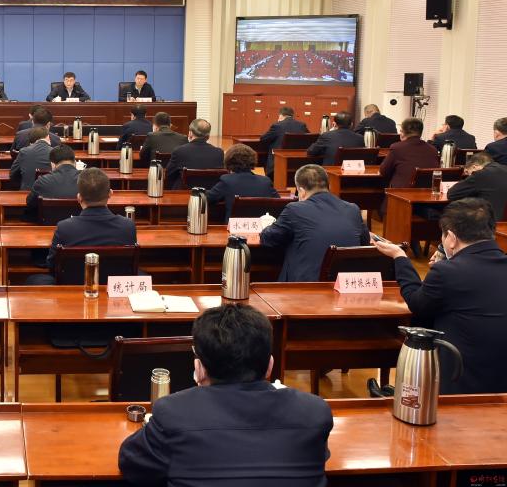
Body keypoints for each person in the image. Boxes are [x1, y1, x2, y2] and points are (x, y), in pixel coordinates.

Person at [118, 304, 333, 486]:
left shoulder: (173, 414)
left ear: (199, 369)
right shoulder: (315, 413)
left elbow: (130, 462)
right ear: (270, 365)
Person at [373, 198, 507, 394]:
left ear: (451, 237)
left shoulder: (448, 272)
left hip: (462, 382)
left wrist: (400, 257)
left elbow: (417, 303)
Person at [260, 164, 369, 281]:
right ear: (328, 186)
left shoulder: (295, 209)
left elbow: (269, 238)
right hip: (345, 283)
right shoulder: (352, 209)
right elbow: (364, 241)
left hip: (305, 286)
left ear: (301, 191)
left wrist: (266, 226)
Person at [31, 167, 136, 281]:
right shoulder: (128, 226)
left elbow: (52, 265)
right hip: (114, 288)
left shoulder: (64, 228)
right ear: (110, 193)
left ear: (79, 197)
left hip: (73, 286)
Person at [207, 144, 279, 221]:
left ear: (229, 161)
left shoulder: (227, 180)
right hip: (261, 226)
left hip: (234, 227)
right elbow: (278, 203)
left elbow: (208, 198)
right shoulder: (265, 181)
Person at [380, 117, 439, 189]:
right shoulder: (433, 150)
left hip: (400, 192)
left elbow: (383, 171)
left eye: (401, 131)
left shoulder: (396, 148)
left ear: (403, 133)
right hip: (427, 192)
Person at [165, 119, 224, 189]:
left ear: (190, 133)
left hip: (185, 193)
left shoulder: (180, 151)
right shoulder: (219, 153)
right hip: (210, 193)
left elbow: (168, 174)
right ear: (208, 136)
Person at [446, 152, 507, 220]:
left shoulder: (481, 174)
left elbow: (452, 194)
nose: (468, 177)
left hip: (489, 222)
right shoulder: (504, 168)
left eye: (467, 172)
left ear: (474, 167)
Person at [26, 144, 80, 215]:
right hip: (80, 221)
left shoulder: (42, 181)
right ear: (75, 163)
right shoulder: (88, 180)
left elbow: (30, 203)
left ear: (52, 164)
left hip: (49, 221)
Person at [259, 106, 309, 176]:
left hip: (278, 163)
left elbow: (263, 139)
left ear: (281, 115)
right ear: (292, 115)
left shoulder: (277, 126)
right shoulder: (302, 125)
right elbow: (309, 138)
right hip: (297, 163)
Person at [10, 127, 53, 191]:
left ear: (31, 141)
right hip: (50, 193)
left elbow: (13, 174)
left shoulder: (24, 151)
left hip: (27, 192)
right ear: (48, 137)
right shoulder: (56, 152)